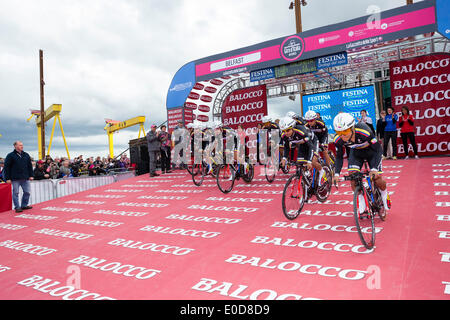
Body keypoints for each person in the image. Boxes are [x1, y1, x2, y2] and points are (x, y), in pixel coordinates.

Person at [332, 113, 391, 214]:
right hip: (356, 154)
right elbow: (339, 157)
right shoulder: (338, 139)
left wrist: (374, 169)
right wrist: (336, 174)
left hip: (372, 152)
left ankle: (384, 195)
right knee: (353, 177)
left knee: (377, 178)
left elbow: (378, 150)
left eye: (345, 131)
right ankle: (361, 199)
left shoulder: (364, 131)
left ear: (352, 127)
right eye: (338, 132)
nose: (342, 135)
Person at [279, 117, 327, 187]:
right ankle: (308, 180)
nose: (286, 133)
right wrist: (284, 158)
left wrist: (309, 162)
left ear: (292, 128)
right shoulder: (284, 135)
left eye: (288, 130)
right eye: (284, 131)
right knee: (300, 164)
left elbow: (311, 147)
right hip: (302, 144)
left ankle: (322, 171)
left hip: (313, 142)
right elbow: (286, 147)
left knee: (313, 162)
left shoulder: (301, 132)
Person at [3, 141, 34, 213]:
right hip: (15, 178)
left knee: (27, 192)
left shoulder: (26, 155)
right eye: (20, 145)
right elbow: (6, 168)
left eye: (22, 145)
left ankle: (24, 205)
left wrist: (31, 175)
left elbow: (29, 166)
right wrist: (7, 178)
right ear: (15, 146)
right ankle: (17, 207)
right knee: (16, 193)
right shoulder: (10, 155)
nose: (22, 146)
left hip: (25, 177)